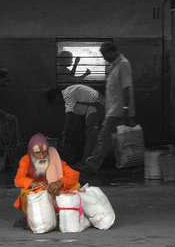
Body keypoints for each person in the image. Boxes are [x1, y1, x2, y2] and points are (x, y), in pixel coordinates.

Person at [80, 42, 135, 173]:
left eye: (105, 55)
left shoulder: (123, 65)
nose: (104, 58)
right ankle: (129, 165)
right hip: (113, 110)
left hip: (118, 110)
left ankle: (91, 165)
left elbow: (127, 88)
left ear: (112, 52)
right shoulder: (114, 66)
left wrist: (127, 109)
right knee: (118, 140)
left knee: (103, 138)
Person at [14, 133, 80, 216]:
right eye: (37, 153)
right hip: (37, 190)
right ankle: (35, 216)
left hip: (55, 190)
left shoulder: (53, 158)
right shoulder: (26, 160)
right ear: (31, 152)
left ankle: (61, 211)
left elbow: (73, 174)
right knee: (24, 192)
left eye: (44, 152)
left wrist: (59, 183)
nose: (41, 156)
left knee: (76, 185)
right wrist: (38, 184)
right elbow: (19, 179)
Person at [47, 85, 105, 167]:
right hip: (94, 105)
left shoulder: (67, 95)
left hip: (96, 104)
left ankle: (86, 163)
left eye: (55, 101)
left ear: (57, 95)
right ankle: (88, 161)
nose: (57, 103)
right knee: (92, 135)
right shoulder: (70, 93)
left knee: (91, 136)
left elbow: (69, 114)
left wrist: (65, 130)